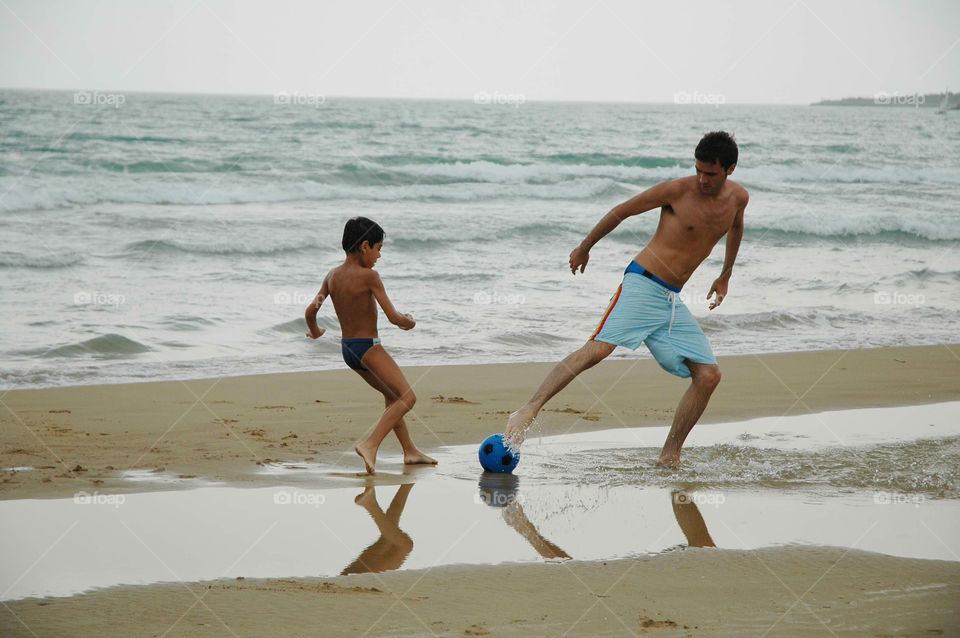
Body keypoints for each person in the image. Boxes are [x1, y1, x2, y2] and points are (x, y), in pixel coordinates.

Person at [505, 131, 748, 465]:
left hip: (670, 300)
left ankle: (669, 455)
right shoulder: (676, 191)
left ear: (730, 169)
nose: (703, 179)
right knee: (599, 349)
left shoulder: (738, 199)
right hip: (643, 283)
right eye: (699, 171)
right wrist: (585, 246)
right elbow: (622, 210)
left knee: (708, 377)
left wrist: (726, 274)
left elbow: (736, 228)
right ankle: (527, 410)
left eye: (711, 174)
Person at [305, 216, 436, 474]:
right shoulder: (370, 277)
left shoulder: (332, 277)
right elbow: (392, 316)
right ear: (365, 246)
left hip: (348, 350)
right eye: (378, 249)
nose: (379, 256)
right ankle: (370, 444)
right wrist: (409, 322)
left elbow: (310, 311)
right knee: (408, 397)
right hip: (368, 347)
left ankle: (409, 451)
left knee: (392, 397)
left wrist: (316, 332)